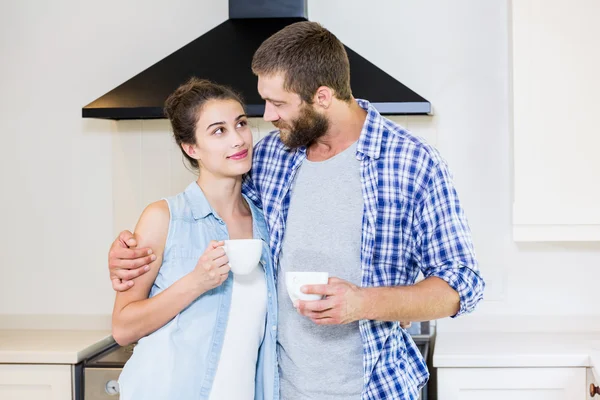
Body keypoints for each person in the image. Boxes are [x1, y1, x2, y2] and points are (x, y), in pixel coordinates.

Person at [108, 21, 485, 400]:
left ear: (322, 97)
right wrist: (129, 253)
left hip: (374, 389)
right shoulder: (272, 157)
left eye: (279, 103)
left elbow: (461, 285)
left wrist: (365, 302)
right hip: (278, 390)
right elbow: (213, 207)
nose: (267, 116)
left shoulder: (412, 163)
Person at [110, 78, 278, 400]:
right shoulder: (163, 218)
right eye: (218, 131)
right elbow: (123, 327)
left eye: (240, 124)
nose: (238, 140)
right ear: (191, 148)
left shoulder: (266, 224)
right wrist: (196, 282)